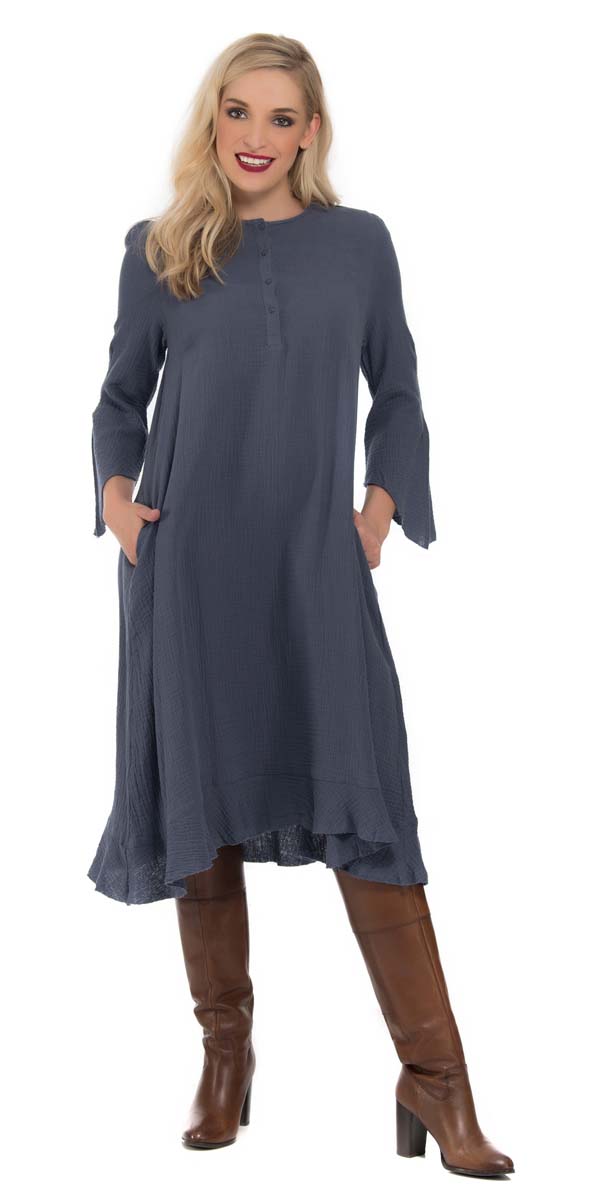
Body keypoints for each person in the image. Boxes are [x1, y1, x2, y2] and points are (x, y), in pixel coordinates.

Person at [87, 32, 514, 1178]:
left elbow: (400, 391)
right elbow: (120, 400)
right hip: (187, 569)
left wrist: (380, 508)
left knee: (366, 801)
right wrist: (118, 501)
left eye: (282, 117)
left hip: (312, 567)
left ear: (312, 131)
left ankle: (438, 1080)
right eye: (239, 111)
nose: (257, 136)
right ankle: (225, 1059)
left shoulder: (359, 245)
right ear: (213, 119)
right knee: (206, 809)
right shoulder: (159, 248)